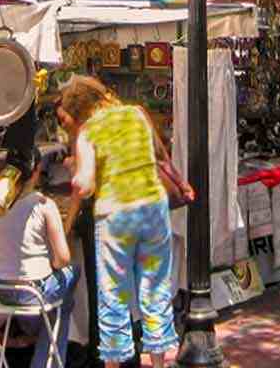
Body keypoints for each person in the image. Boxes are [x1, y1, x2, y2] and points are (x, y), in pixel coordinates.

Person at [58, 76, 177, 368]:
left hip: (116, 214)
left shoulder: (88, 131)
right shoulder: (137, 113)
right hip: (152, 207)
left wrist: (74, 169)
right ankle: (159, 364)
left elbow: (84, 186)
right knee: (155, 290)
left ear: (80, 111)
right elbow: (161, 155)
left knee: (114, 296)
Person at [0, 147, 78, 368]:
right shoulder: (43, 205)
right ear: (36, 172)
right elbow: (62, 258)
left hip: (1, 291)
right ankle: (45, 359)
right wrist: (50, 265)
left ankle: (33, 337)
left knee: (58, 303)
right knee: (71, 278)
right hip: (34, 291)